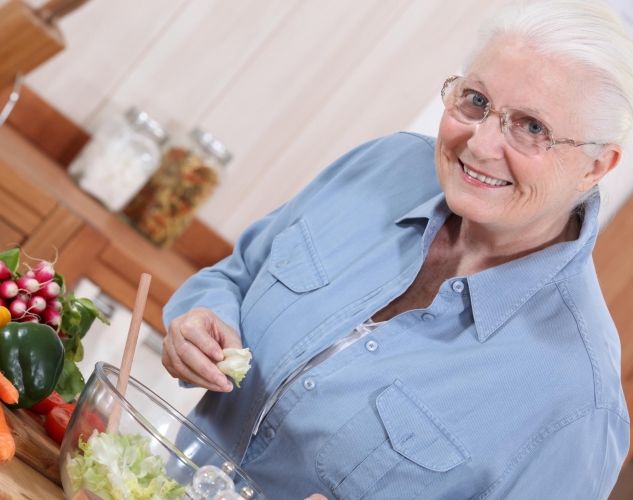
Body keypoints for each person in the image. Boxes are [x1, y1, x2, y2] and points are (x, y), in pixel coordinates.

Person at [161, 0, 633, 498]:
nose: (480, 144)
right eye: (475, 100)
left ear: (597, 167)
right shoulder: (379, 165)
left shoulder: (579, 400)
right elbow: (234, 277)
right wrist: (200, 318)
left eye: (532, 127)